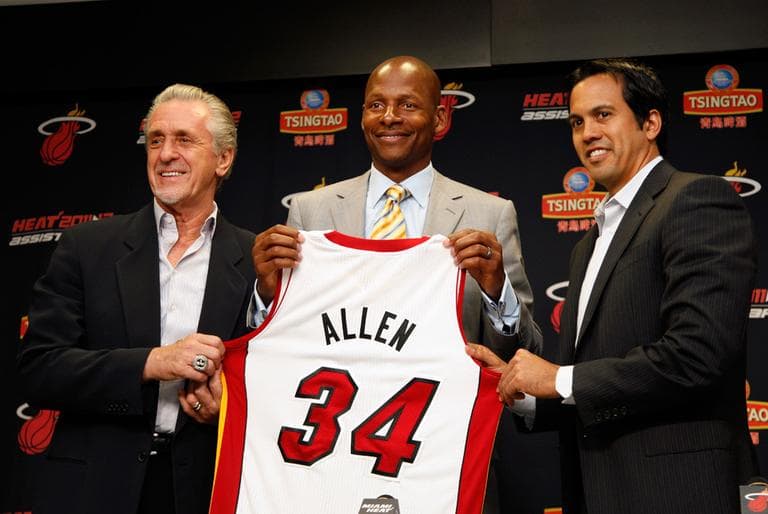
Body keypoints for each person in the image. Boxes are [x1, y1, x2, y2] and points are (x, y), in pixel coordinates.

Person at [251, 55, 542, 513]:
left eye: (407, 105)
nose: (389, 118)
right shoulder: (311, 212)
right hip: (328, 461)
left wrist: (495, 289)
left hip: (442, 457)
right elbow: (282, 343)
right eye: (376, 105)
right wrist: (267, 294)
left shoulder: (488, 214)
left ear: (440, 117)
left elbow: (523, 351)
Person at [469, 58, 759, 514]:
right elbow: (589, 385)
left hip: (676, 491)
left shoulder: (697, 200)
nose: (587, 133)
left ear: (650, 123)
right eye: (577, 122)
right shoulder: (590, 243)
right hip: (597, 492)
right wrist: (514, 388)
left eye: (603, 115)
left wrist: (558, 377)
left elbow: (697, 355)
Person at [16, 84, 257, 514]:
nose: (165, 154)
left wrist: (229, 406)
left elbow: (278, 384)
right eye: (157, 140)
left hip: (206, 490)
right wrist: (152, 362)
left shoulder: (257, 260)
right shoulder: (87, 247)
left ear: (224, 158)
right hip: (95, 488)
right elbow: (39, 370)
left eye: (184, 139)